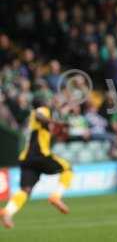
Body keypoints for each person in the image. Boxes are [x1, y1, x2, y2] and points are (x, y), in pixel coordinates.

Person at [0, 97, 73, 229]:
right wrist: (55, 122)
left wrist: (59, 126)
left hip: (26, 159)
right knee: (68, 168)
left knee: (25, 190)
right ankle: (56, 196)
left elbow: (51, 129)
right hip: (40, 155)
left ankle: (7, 211)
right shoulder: (42, 110)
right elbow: (39, 115)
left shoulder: (34, 121)